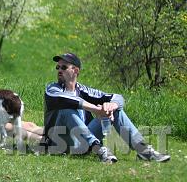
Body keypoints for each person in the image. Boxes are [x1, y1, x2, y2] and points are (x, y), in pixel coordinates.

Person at [41, 52, 170, 163]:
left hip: (81, 143)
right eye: (58, 67)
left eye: (64, 67)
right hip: (59, 143)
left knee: (116, 110)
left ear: (75, 70)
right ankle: (99, 149)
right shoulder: (52, 89)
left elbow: (118, 97)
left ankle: (143, 151)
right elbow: (68, 100)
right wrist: (97, 109)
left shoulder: (84, 90)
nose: (59, 70)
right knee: (66, 110)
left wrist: (111, 106)